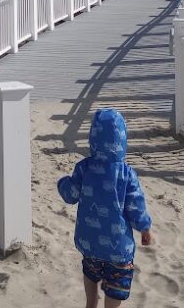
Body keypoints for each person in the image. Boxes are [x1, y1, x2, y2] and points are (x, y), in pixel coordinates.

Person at [57, 109, 153, 307]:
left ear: (93, 138)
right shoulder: (127, 174)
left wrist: (62, 182)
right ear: (122, 139)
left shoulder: (84, 167)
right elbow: (136, 206)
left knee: (90, 273)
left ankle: (91, 302)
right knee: (117, 285)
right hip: (118, 248)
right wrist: (145, 228)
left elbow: (70, 195)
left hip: (89, 242)